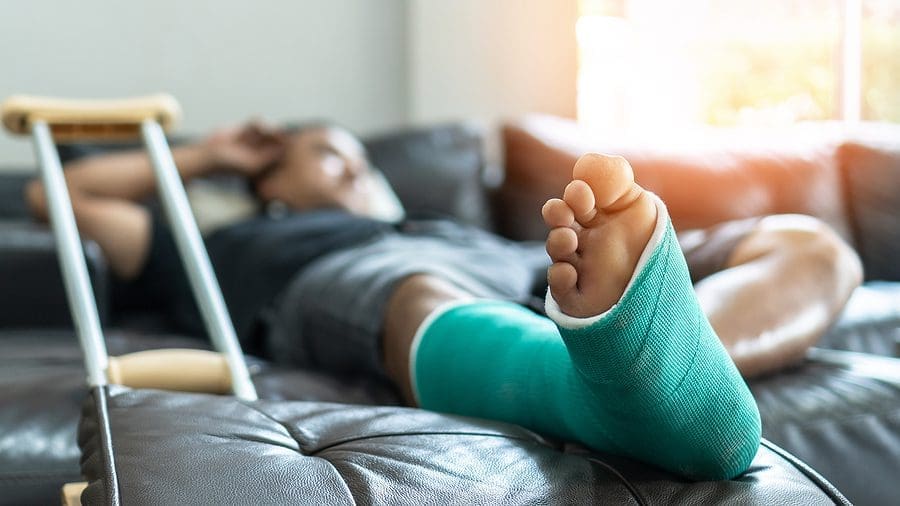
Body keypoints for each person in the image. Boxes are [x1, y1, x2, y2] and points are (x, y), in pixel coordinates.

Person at [25, 121, 862, 481]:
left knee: (806, 241)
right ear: (272, 185)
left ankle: (659, 355)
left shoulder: (444, 221)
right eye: (329, 158)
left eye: (362, 160)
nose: (357, 169)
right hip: (365, 279)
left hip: (515, 271)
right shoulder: (220, 242)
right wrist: (208, 156)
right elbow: (55, 197)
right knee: (416, 291)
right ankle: (622, 370)